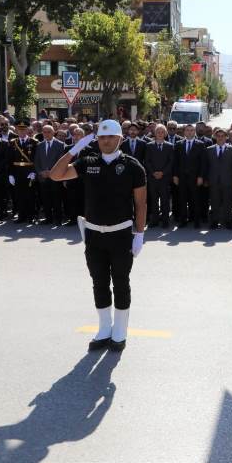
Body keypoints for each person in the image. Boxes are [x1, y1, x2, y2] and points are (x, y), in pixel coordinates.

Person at [50, 119, 147, 352]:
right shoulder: (88, 162)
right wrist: (73, 149)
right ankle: (104, 329)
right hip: (94, 234)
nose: (105, 141)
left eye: (110, 137)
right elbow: (56, 175)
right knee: (99, 282)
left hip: (121, 234)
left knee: (121, 283)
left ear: (120, 139)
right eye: (102, 137)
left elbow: (141, 203)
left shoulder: (133, 166)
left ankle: (120, 332)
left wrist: (139, 234)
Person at [202, 127, 232, 229]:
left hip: (227, 181)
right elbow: (206, 166)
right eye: (218, 136)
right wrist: (206, 179)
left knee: (228, 202)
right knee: (214, 202)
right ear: (215, 137)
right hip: (213, 181)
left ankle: (228, 221)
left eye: (223, 136)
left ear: (226, 137)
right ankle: (214, 221)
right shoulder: (209, 150)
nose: (220, 138)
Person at [173, 123, 206, 228]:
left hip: (195, 177)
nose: (190, 132)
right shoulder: (178, 144)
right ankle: (183, 220)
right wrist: (175, 176)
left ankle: (196, 221)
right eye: (187, 130)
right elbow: (175, 162)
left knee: (195, 200)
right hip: (182, 177)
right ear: (184, 132)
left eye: (192, 130)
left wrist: (201, 176)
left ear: (194, 131)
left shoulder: (200, 144)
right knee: (182, 199)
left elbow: (203, 163)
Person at [8, 121, 39, 224]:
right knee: (19, 195)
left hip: (29, 171)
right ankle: (21, 216)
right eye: (19, 129)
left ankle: (31, 216)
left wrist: (34, 172)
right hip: (17, 172)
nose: (21, 131)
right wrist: (11, 174)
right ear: (16, 130)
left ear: (27, 130)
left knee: (30, 195)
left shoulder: (34, 142)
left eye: (24, 129)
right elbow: (10, 160)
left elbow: (36, 159)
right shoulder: (12, 142)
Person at [35, 125, 66, 225]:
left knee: (56, 199)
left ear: (53, 133)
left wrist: (52, 172)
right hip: (43, 177)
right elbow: (36, 161)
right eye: (44, 132)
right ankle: (48, 218)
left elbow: (61, 161)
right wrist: (41, 172)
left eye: (48, 132)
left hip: (55, 177)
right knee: (45, 199)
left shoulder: (60, 145)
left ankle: (58, 219)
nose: (46, 134)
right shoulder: (39, 145)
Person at [144, 124, 174, 228]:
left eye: (162, 132)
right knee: (154, 200)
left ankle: (165, 220)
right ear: (155, 133)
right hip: (152, 178)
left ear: (165, 133)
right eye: (158, 132)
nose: (160, 134)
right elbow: (147, 161)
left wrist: (162, 173)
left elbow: (171, 162)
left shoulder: (170, 146)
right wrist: (153, 172)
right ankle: (154, 220)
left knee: (165, 200)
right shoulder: (149, 145)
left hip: (164, 178)